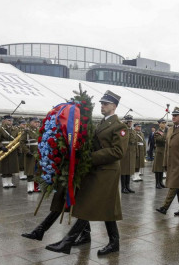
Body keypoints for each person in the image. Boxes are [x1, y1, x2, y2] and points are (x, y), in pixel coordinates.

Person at [24, 90, 129, 256]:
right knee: (98, 206)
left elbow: (118, 152)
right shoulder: (101, 123)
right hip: (95, 169)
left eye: (106, 104)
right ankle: (107, 240)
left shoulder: (120, 127)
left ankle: (67, 241)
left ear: (114, 106)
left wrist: (90, 157)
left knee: (89, 204)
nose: (102, 106)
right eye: (101, 103)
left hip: (107, 172)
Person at [155, 107, 179, 216]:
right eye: (173, 115)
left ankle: (164, 207)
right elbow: (167, 148)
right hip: (171, 163)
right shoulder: (170, 129)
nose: (173, 117)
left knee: (173, 185)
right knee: (178, 186)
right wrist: (165, 162)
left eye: (176, 115)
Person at [0, 115, 20, 188]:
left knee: (11, 166)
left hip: (13, 149)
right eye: (9, 120)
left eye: (11, 121)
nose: (10, 122)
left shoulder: (15, 129)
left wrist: (19, 150)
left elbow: (18, 140)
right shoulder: (1, 129)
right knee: (4, 166)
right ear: (4, 121)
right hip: (4, 149)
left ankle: (10, 182)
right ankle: (5, 183)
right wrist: (1, 147)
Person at [20, 117, 40, 194]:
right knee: (30, 171)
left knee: (37, 170)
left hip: (38, 153)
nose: (37, 123)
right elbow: (22, 142)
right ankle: (30, 187)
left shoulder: (39, 131)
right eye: (35, 122)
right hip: (30, 153)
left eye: (38, 122)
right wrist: (27, 151)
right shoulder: (26, 131)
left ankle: (37, 187)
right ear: (31, 122)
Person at [120, 115, 137, 193]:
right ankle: (123, 187)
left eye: (131, 121)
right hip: (125, 152)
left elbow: (135, 142)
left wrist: (136, 152)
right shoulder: (123, 130)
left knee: (129, 170)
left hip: (131, 152)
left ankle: (128, 186)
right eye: (129, 121)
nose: (130, 123)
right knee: (124, 170)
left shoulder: (133, 131)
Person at [152, 119, 167, 189]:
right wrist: (166, 137)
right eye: (162, 123)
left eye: (164, 123)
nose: (164, 124)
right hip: (159, 151)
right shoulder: (157, 132)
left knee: (161, 168)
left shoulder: (165, 132)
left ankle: (161, 182)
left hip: (164, 151)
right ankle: (157, 183)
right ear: (159, 124)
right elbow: (159, 140)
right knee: (157, 168)